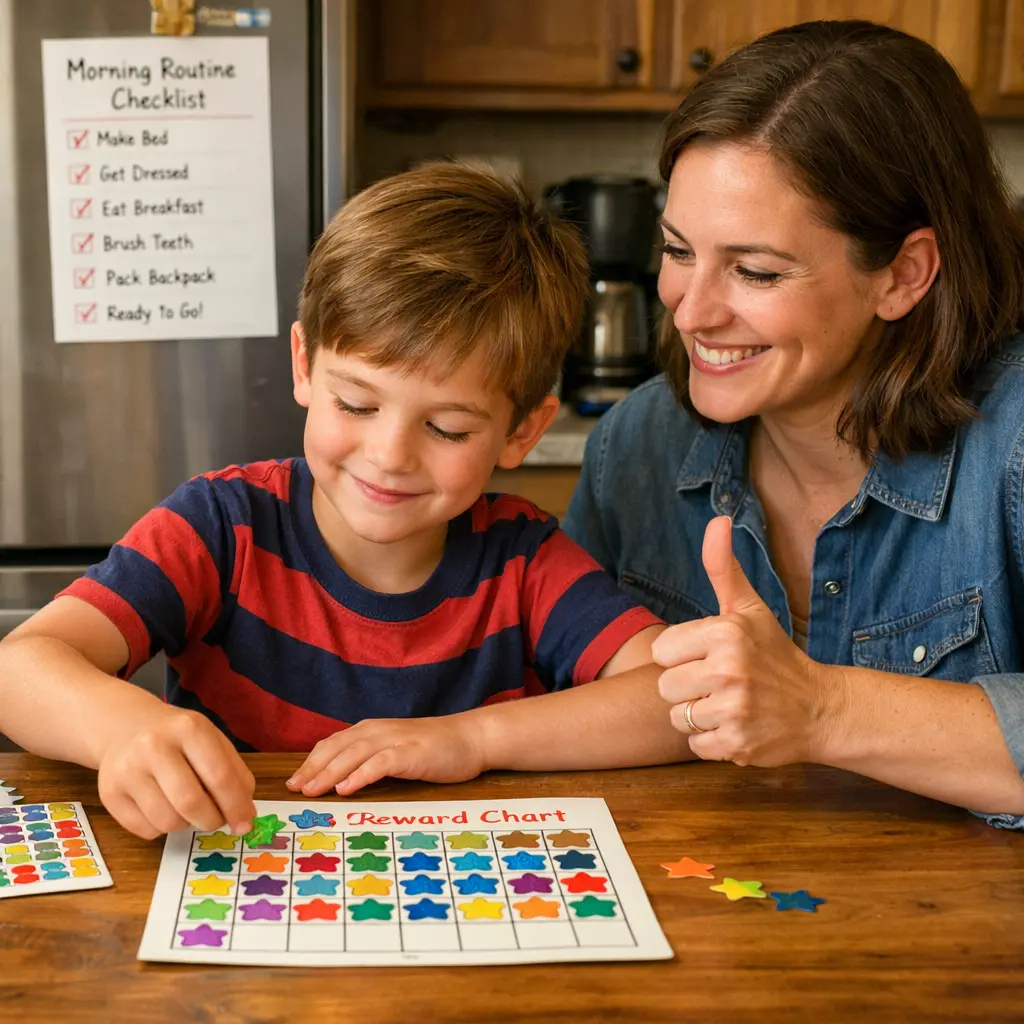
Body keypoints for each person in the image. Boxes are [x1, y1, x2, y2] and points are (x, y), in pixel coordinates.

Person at [0, 162, 692, 840]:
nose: (390, 455)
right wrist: (120, 726)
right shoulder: (220, 527)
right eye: (357, 404)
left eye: (447, 428)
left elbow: (682, 702)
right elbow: (18, 668)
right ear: (304, 364)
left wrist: (473, 738)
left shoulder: (524, 560)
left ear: (521, 432)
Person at [563, 19, 1024, 829]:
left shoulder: (1013, 442)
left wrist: (820, 707)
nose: (691, 312)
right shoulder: (636, 444)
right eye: (678, 251)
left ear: (903, 274)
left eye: (755, 271)